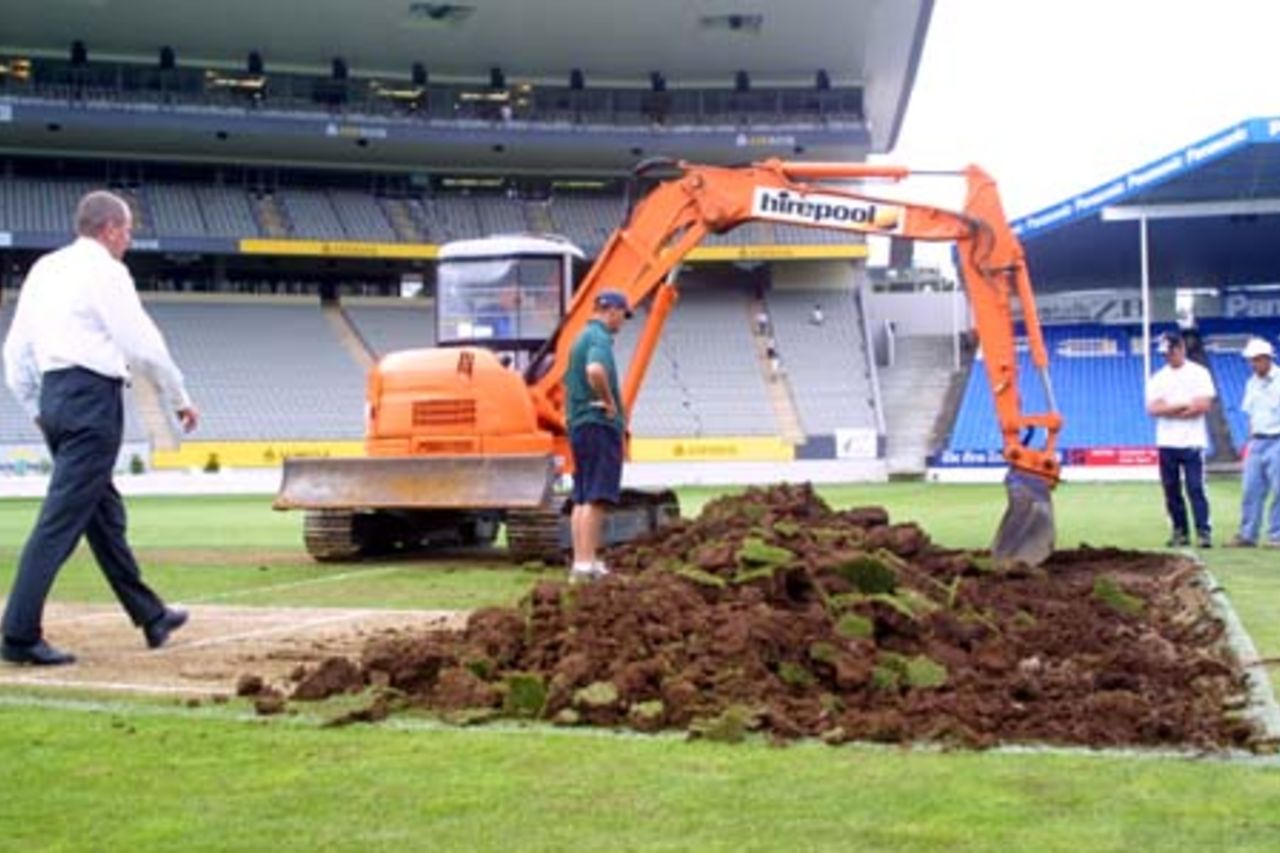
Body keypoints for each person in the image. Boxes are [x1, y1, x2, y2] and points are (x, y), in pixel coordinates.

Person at [1, 190, 199, 666]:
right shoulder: (107, 271)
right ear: (110, 228)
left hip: (55, 398)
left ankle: (150, 615)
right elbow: (142, 341)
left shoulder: (45, 270)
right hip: (92, 401)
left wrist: (38, 407)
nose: (129, 241)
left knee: (104, 518)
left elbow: (14, 352)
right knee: (61, 521)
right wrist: (180, 397)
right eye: (127, 231)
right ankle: (18, 632)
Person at [564, 290, 631, 583]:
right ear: (612, 310)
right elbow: (595, 370)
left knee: (581, 497)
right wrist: (609, 402)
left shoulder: (580, 337)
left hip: (579, 423)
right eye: (623, 315)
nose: (623, 322)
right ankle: (586, 565)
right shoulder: (599, 338)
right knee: (596, 497)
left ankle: (581, 562)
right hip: (597, 424)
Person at [1145, 331, 1216, 547]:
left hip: (1192, 441)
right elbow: (1153, 408)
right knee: (1171, 489)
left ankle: (1203, 530)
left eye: (1171, 351)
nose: (1168, 357)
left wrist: (1169, 408)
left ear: (1181, 348)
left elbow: (1203, 405)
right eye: (1166, 353)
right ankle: (1180, 530)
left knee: (1196, 488)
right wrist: (1183, 405)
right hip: (1167, 441)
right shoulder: (1158, 378)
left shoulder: (1199, 373)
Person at [1229, 336, 1280, 548]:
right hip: (1258, 441)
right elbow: (1252, 415)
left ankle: (1276, 535)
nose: (1252, 364)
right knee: (1251, 489)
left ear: (1267, 358)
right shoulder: (1252, 383)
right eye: (1251, 360)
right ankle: (1247, 534)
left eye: (1256, 360)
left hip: (1277, 440)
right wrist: (1248, 443)